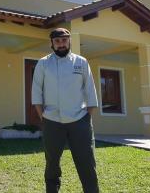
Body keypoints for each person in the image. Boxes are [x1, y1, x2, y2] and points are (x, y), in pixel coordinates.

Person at [31, 28, 99, 193]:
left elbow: (90, 90)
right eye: (57, 41)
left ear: (69, 41)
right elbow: (36, 91)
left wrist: (86, 118)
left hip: (80, 121)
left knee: (86, 162)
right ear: (52, 44)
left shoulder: (81, 62)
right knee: (52, 163)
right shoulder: (43, 63)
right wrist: (43, 116)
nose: (61, 44)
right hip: (52, 121)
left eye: (64, 40)